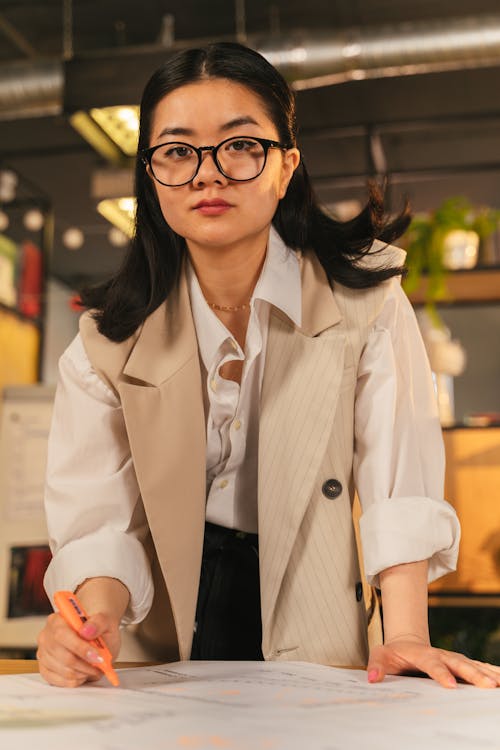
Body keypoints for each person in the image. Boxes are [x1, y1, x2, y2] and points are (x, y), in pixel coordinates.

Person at [38, 42, 499, 689]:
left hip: (315, 605)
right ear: (151, 177)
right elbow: (102, 518)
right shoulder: (106, 340)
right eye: (176, 151)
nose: (208, 173)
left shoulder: (365, 302)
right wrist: (94, 627)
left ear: (286, 167)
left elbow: (399, 484)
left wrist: (405, 637)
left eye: (240, 145)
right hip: (162, 625)